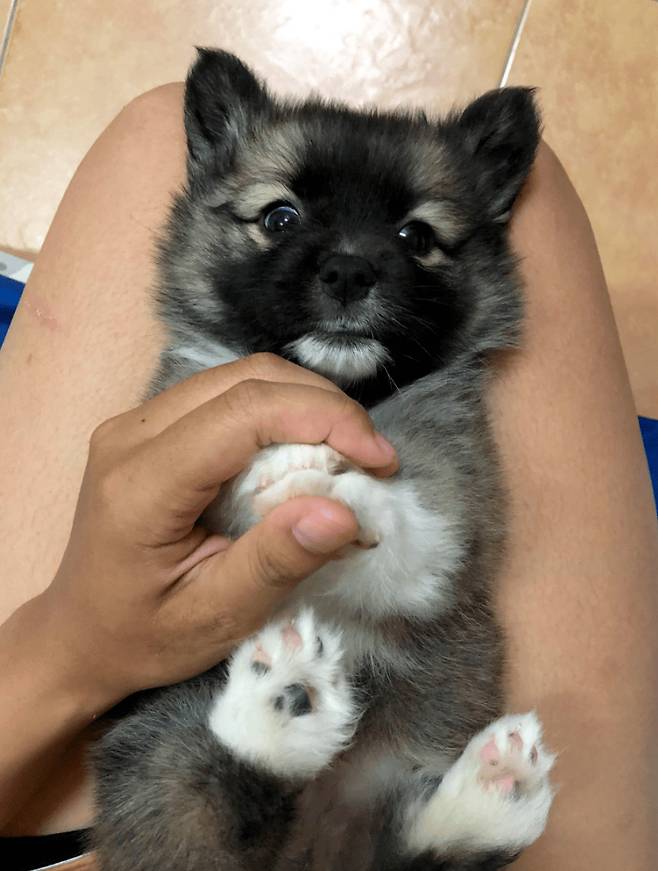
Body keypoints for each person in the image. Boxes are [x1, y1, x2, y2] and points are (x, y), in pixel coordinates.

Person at [0, 84, 656, 871]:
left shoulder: (435, 390)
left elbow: (436, 552)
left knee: (174, 777)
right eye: (279, 218)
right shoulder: (208, 356)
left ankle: (349, 803)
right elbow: (429, 560)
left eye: (417, 236)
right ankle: (412, 837)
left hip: (366, 725)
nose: (349, 263)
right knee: (174, 783)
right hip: (244, 738)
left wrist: (71, 641)